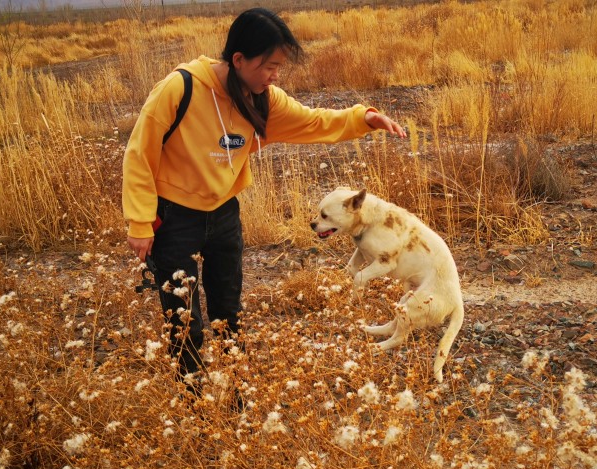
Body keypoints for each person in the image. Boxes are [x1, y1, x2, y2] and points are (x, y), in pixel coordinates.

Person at [122, 7, 406, 385]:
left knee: (228, 310)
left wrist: (362, 119)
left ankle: (234, 389)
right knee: (182, 317)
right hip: (175, 219)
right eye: (269, 66)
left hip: (224, 215)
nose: (275, 75)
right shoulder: (181, 88)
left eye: (279, 67)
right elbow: (139, 153)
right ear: (238, 59)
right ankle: (192, 399)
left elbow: (313, 120)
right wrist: (140, 222)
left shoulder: (264, 98)